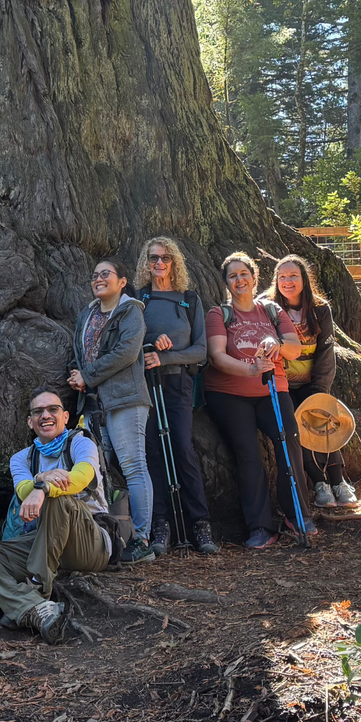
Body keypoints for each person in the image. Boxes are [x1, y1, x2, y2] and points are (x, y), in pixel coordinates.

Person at [0, 386, 111, 644]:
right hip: (44, 542)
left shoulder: (81, 443)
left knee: (59, 499)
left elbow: (82, 478)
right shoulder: (22, 458)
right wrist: (39, 481)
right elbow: (23, 489)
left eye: (53, 409)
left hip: (89, 543)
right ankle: (35, 610)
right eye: (38, 412)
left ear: (66, 416)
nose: (45, 415)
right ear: (30, 421)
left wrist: (43, 488)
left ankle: (39, 585)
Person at [204, 251, 308, 549]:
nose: (240, 280)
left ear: (254, 277)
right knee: (249, 454)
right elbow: (217, 357)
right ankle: (260, 526)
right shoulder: (219, 314)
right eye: (233, 276)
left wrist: (276, 343)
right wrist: (250, 369)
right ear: (226, 283)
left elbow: (294, 349)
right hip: (230, 394)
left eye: (244, 274)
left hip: (273, 390)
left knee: (289, 442)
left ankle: (297, 513)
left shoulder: (272, 310)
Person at [67, 258, 155, 563]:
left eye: (106, 274)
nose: (99, 279)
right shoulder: (86, 314)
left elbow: (127, 353)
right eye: (94, 275)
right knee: (94, 470)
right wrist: (75, 375)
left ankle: (142, 540)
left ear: (122, 282)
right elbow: (78, 353)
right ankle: (100, 537)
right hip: (92, 403)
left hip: (125, 399)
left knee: (133, 467)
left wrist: (88, 375)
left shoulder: (131, 311)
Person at [134, 236, 217, 554]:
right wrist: (152, 345)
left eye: (165, 258)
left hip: (179, 384)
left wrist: (166, 356)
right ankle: (160, 524)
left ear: (174, 262)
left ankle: (200, 524)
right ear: (145, 262)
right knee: (152, 450)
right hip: (145, 384)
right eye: (153, 258)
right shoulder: (138, 298)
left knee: (182, 447)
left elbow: (200, 350)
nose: (158, 263)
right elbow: (130, 340)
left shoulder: (189, 299)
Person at [261, 253, 356, 507]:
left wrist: (319, 389)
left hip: (312, 382)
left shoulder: (320, 309)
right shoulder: (266, 307)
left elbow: (326, 352)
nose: (288, 281)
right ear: (275, 280)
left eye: (293, 276)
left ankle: (338, 479)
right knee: (297, 428)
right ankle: (319, 483)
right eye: (282, 277)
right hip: (281, 383)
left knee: (322, 420)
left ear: (304, 279)